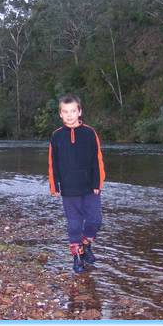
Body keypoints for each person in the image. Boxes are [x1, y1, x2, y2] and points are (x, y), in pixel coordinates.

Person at [48, 95, 106, 273]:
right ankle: (77, 257)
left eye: (73, 111)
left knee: (95, 220)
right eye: (65, 112)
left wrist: (98, 182)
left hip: (90, 187)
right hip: (69, 189)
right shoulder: (56, 136)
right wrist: (54, 185)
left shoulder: (89, 133)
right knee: (74, 225)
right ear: (60, 114)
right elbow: (53, 162)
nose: (70, 115)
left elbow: (97, 160)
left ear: (80, 111)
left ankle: (87, 244)